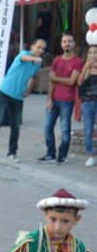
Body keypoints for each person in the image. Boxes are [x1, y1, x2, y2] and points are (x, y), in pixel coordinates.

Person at [0, 40, 45, 164]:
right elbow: (24, 57)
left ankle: (12, 153)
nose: (41, 50)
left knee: (15, 126)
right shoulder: (24, 54)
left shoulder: (38, 63)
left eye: (43, 49)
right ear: (32, 46)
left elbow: (33, 76)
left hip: (18, 97)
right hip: (4, 92)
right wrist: (33, 58)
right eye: (39, 47)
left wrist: (28, 90)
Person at [38, 33, 83, 164]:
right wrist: (49, 99)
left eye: (69, 41)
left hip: (67, 101)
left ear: (74, 44)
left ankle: (62, 155)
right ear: (61, 44)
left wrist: (55, 78)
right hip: (54, 100)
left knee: (65, 130)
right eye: (64, 41)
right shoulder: (56, 60)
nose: (67, 44)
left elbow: (71, 81)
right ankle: (50, 154)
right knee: (47, 128)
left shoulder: (78, 61)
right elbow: (50, 82)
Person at [77, 45, 97, 167]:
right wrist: (85, 68)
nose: (93, 54)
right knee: (88, 130)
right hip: (87, 103)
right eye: (90, 52)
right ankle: (91, 155)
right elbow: (79, 82)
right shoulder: (86, 67)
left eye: (95, 52)